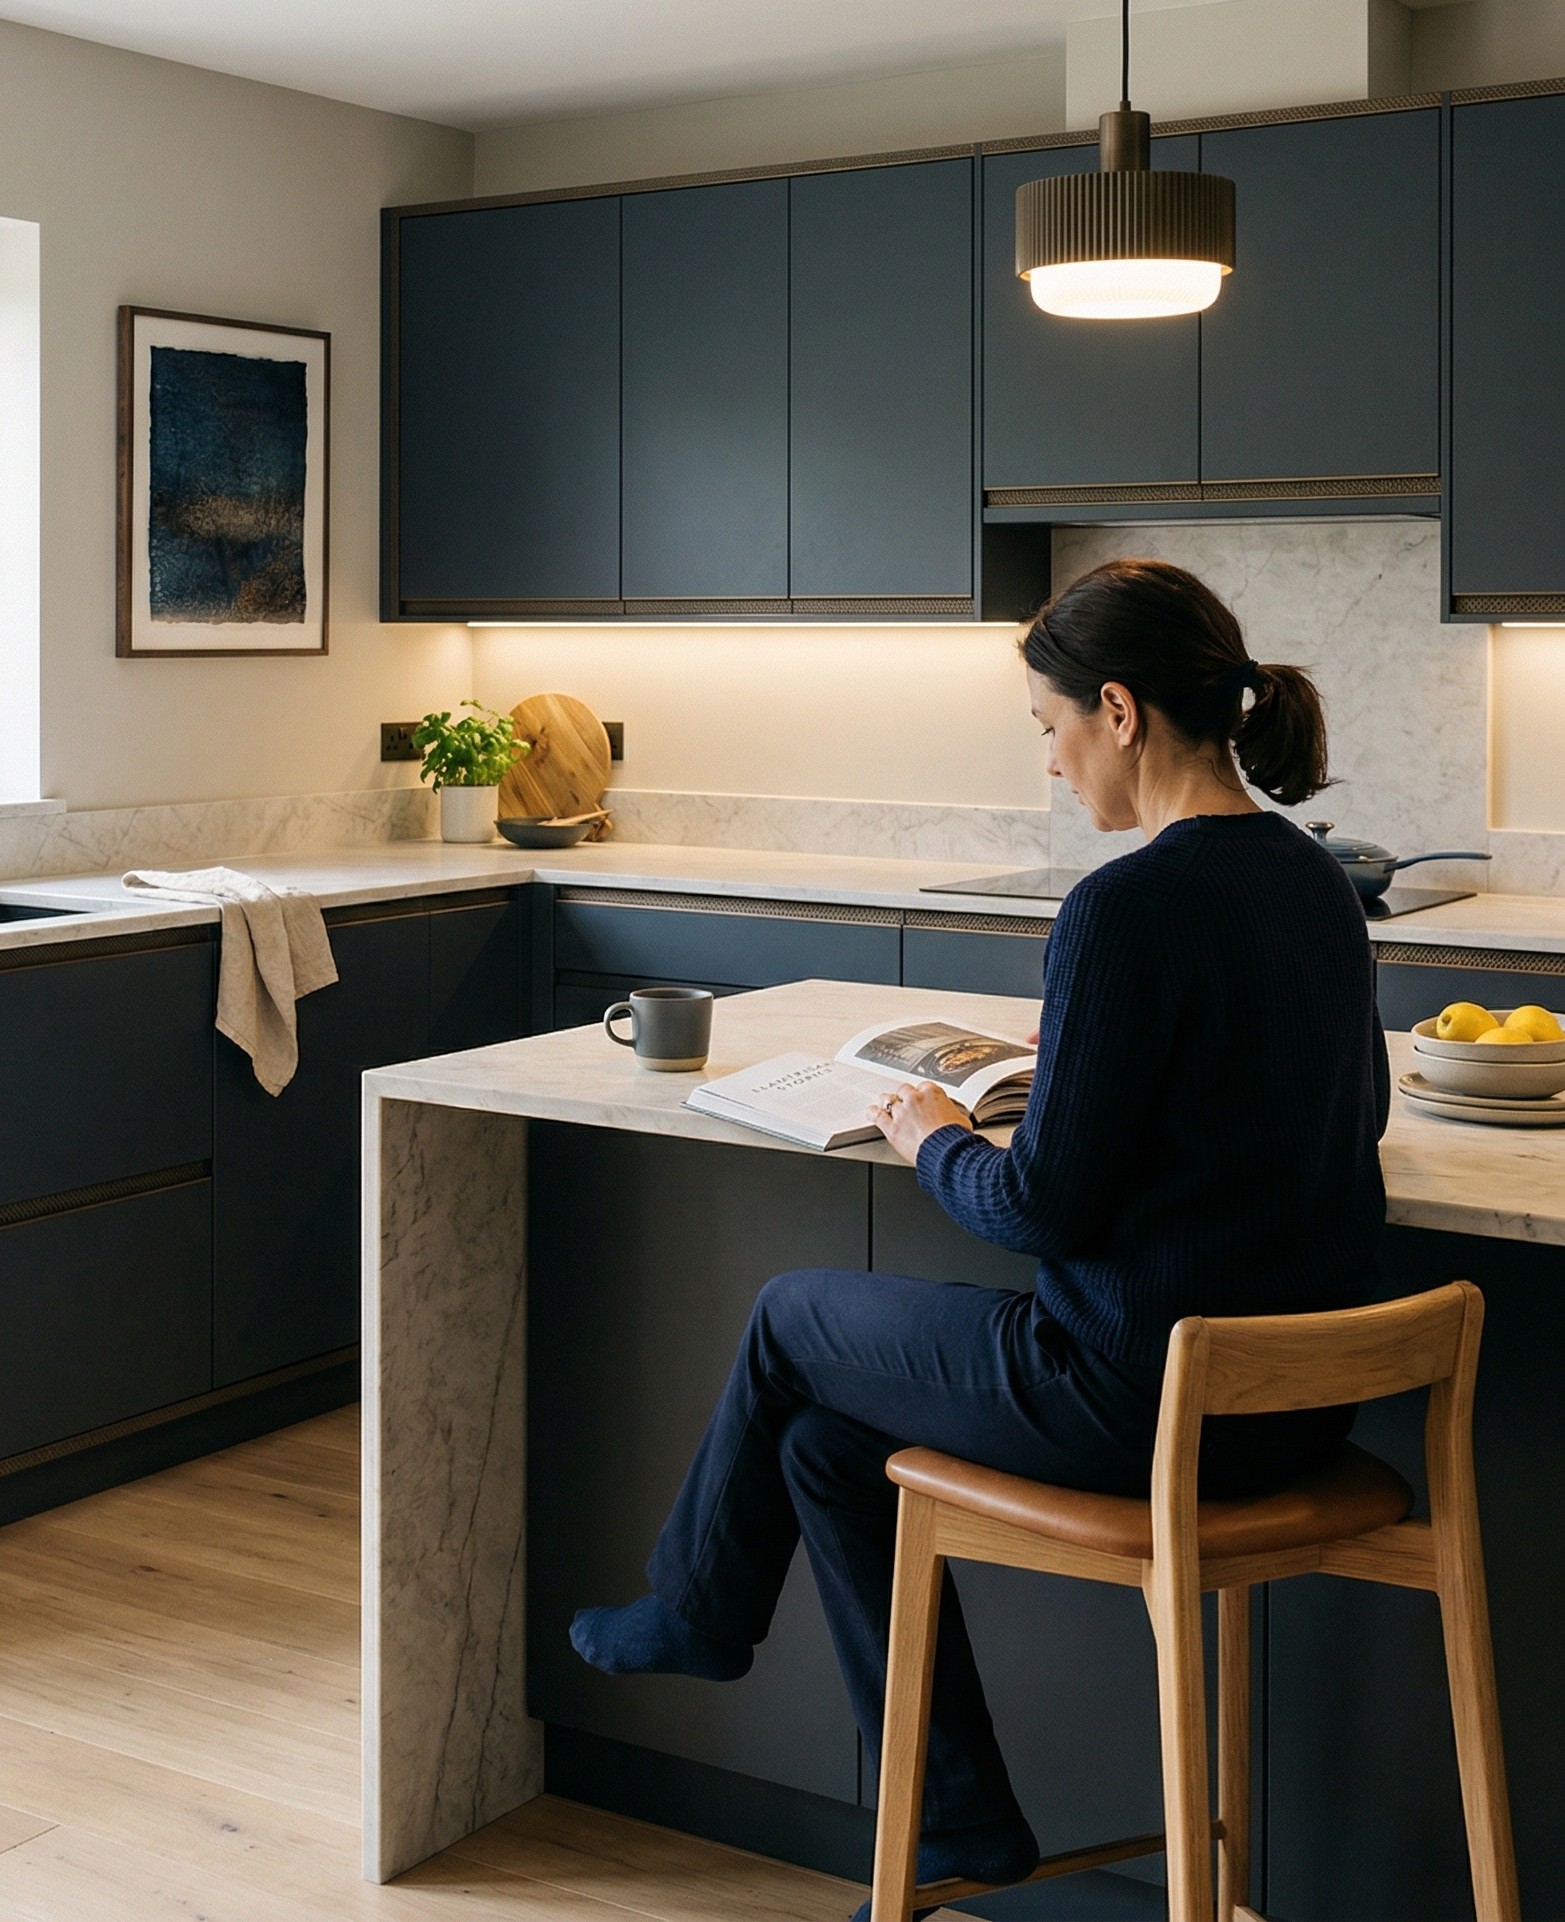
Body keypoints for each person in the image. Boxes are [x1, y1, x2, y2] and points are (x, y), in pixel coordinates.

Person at [568, 558, 1390, 1904]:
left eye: (1050, 728)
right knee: (828, 1447)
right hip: (1298, 1406)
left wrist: (930, 1132)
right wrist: (1073, 1064)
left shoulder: (1125, 904)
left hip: (1133, 1397)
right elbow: (1321, 1112)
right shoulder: (1313, 884)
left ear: (1117, 712)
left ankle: (698, 1613)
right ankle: (953, 1821)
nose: (1055, 767)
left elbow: (1038, 1209)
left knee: (790, 1315)